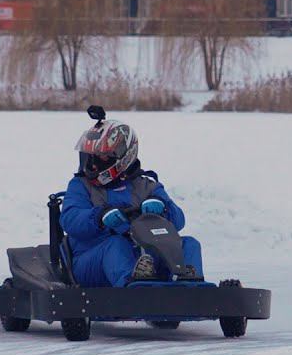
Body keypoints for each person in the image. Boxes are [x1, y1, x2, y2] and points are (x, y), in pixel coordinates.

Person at [60, 115, 203, 288]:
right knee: (116, 244)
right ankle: (133, 286)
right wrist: (99, 217)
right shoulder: (80, 186)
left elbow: (178, 220)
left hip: (145, 256)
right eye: (91, 156)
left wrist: (162, 208)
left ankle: (191, 287)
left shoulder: (146, 185)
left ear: (124, 156)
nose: (94, 163)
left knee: (188, 244)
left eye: (102, 157)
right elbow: (70, 219)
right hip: (91, 259)